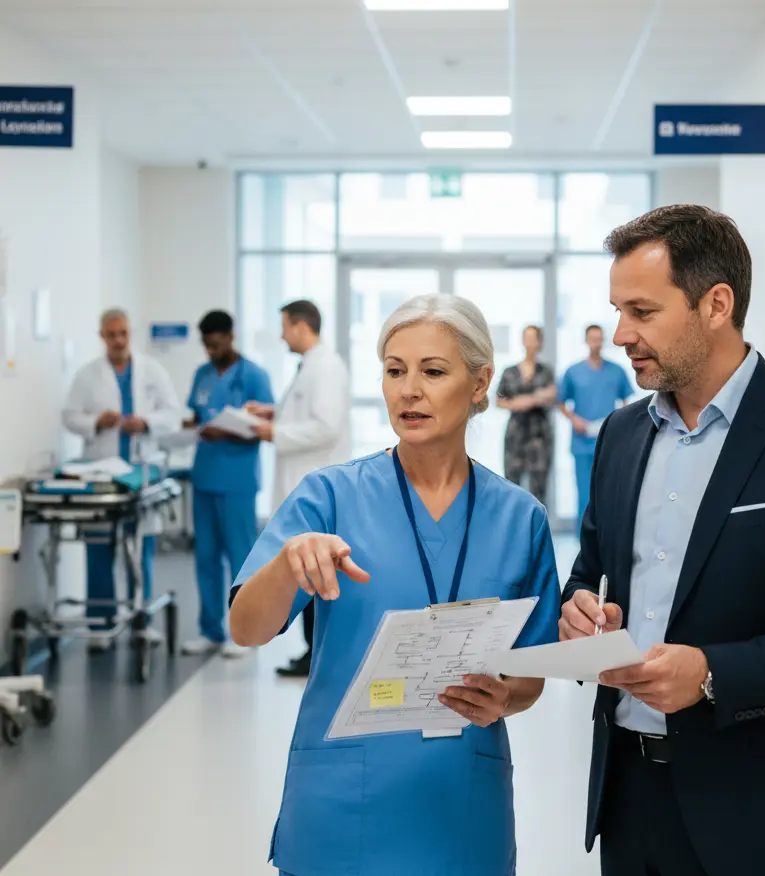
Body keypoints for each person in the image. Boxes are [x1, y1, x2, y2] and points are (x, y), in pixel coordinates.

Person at [560, 205, 765, 876]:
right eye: (617, 311)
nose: (620, 334)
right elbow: (592, 567)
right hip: (629, 801)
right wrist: (581, 606)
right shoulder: (620, 436)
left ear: (716, 305)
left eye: (642, 312)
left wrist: (710, 675)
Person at [229, 294, 560, 876]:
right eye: (394, 370)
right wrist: (286, 565)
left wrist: (505, 697)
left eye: (433, 372)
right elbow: (247, 628)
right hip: (342, 799)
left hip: (461, 801)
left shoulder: (520, 519)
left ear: (481, 382)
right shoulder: (329, 496)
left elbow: (530, 673)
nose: (410, 390)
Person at [62, 308, 182, 650]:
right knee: (98, 550)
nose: (118, 340)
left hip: (140, 471)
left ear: (130, 334)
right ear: (102, 336)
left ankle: (141, 621)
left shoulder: (152, 370)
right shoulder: (87, 375)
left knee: (139, 549)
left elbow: (173, 414)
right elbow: (70, 416)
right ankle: (101, 623)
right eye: (112, 334)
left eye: (123, 333)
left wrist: (145, 423)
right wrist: (97, 421)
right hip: (104, 471)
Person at [246, 300, 350, 679]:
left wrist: (275, 432)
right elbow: (307, 415)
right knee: (307, 571)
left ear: (302, 326)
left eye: (285, 326)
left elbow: (326, 426)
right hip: (302, 483)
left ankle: (316, 654)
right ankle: (312, 651)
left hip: (315, 484)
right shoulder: (310, 366)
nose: (281, 335)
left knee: (314, 573)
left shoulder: (327, 368)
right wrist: (273, 413)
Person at [181, 310, 274, 659]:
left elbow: (265, 428)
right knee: (205, 556)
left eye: (216, 343)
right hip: (203, 477)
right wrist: (189, 426)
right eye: (205, 345)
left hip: (237, 481)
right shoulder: (201, 375)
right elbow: (195, 415)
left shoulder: (254, 376)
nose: (210, 350)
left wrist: (230, 429)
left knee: (242, 558)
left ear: (231, 337)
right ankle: (210, 630)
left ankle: (244, 633)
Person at [558, 324, 633, 528]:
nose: (596, 343)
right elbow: (560, 400)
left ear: (603, 340)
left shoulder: (616, 371)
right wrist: (574, 420)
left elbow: (627, 399)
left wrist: (619, 420)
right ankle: (583, 539)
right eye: (592, 339)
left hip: (609, 439)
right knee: (584, 492)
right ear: (586, 340)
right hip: (582, 442)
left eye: (599, 339)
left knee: (609, 491)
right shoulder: (573, 372)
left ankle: (606, 536)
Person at [496, 325, 556, 505]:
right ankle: (513, 531)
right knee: (512, 486)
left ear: (540, 342)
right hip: (515, 436)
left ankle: (537, 531)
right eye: (527, 337)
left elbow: (550, 396)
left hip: (540, 437)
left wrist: (522, 401)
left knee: (539, 489)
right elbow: (499, 400)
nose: (530, 342)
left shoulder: (546, 371)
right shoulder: (510, 372)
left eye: (534, 338)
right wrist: (534, 397)